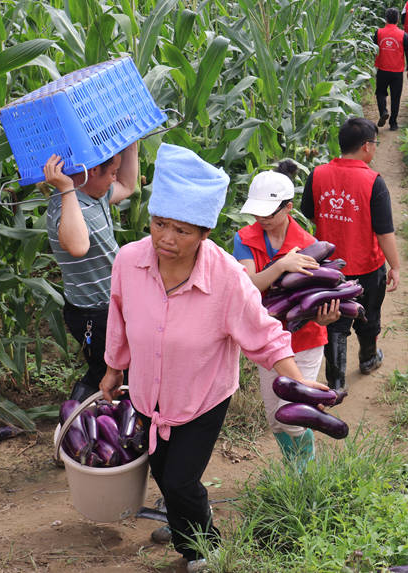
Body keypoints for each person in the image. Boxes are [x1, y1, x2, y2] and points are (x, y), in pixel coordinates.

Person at [100, 144, 326, 573]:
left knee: (182, 479)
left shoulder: (226, 277)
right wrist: (114, 368)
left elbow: (265, 335)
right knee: (165, 475)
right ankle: (186, 527)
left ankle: (204, 550)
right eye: (159, 224)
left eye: (182, 231)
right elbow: (119, 316)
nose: (166, 238)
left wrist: (297, 381)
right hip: (150, 392)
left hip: (203, 395)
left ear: (205, 233)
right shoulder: (129, 261)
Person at [232, 160, 341, 473]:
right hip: (265, 338)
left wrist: (324, 318)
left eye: (270, 213)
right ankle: (295, 467)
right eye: (257, 212)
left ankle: (304, 474)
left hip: (304, 340)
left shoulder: (310, 246)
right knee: (275, 416)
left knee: (292, 414)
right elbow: (247, 286)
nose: (262, 219)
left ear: (289, 208)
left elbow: (312, 303)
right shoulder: (244, 238)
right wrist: (280, 267)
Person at [301, 117, 401, 392]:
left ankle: (336, 382)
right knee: (369, 318)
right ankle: (368, 359)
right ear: (367, 146)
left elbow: (309, 211)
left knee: (334, 322)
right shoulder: (373, 181)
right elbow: (384, 232)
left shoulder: (318, 174)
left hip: (329, 270)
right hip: (367, 268)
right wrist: (395, 265)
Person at [43, 143, 138, 402]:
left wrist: (131, 142)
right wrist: (65, 188)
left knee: (116, 369)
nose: (115, 179)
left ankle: (89, 423)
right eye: (112, 173)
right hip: (93, 316)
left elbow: (129, 187)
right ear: (93, 170)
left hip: (111, 306)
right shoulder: (65, 206)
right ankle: (77, 425)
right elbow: (77, 245)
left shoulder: (96, 196)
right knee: (107, 371)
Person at [374, 7, 408, 131]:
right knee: (396, 97)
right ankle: (393, 123)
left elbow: (373, 48)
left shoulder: (378, 33)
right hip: (397, 73)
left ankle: (383, 111)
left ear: (386, 19)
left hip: (382, 70)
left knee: (380, 93)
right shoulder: (404, 35)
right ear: (397, 20)